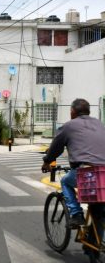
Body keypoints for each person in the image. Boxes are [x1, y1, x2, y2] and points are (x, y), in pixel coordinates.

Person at [42, 98, 105, 228]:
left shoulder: (69, 126)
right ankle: (94, 242)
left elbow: (56, 147)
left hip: (86, 171)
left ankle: (76, 214)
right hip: (103, 172)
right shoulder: (99, 124)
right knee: (99, 205)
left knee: (65, 181)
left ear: (72, 112)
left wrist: (47, 162)